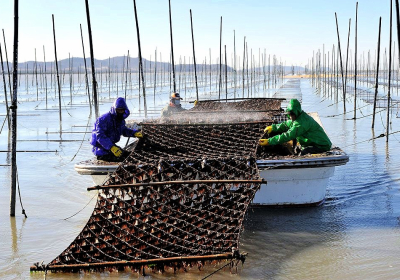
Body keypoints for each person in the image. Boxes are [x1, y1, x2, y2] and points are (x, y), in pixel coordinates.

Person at [259, 99, 332, 155]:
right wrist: (273, 127)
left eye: (292, 114)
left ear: (297, 112)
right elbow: (286, 124)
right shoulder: (297, 117)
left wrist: (269, 141)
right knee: (297, 148)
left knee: (304, 153)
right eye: (289, 114)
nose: (290, 117)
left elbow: (288, 135)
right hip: (311, 143)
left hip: (321, 145)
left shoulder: (302, 123)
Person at [90, 97, 143, 162]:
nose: (120, 112)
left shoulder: (120, 120)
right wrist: (111, 147)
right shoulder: (103, 119)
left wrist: (134, 133)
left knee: (130, 155)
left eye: (122, 110)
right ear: (114, 109)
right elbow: (100, 136)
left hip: (111, 147)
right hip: (101, 150)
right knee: (126, 160)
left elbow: (124, 130)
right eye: (118, 110)